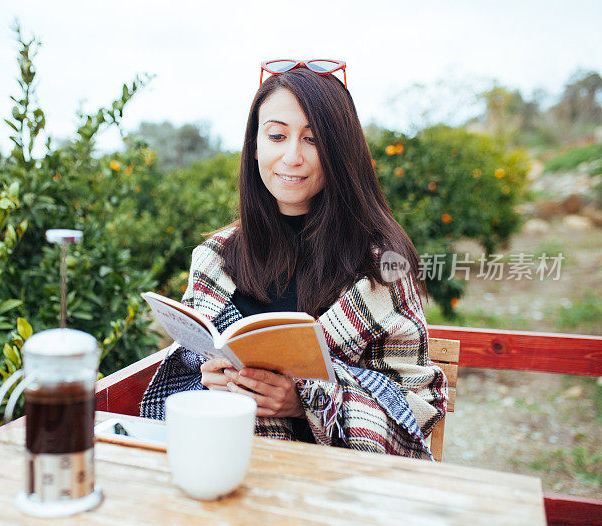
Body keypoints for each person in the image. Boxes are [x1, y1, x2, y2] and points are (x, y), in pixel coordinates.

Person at [141, 60, 448, 459]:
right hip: (222, 468)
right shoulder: (215, 258)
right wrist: (210, 378)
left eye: (312, 139)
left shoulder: (381, 267)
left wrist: (305, 399)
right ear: (255, 146)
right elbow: (185, 371)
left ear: (341, 151)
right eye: (276, 135)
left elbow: (416, 409)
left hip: (335, 492)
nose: (291, 157)